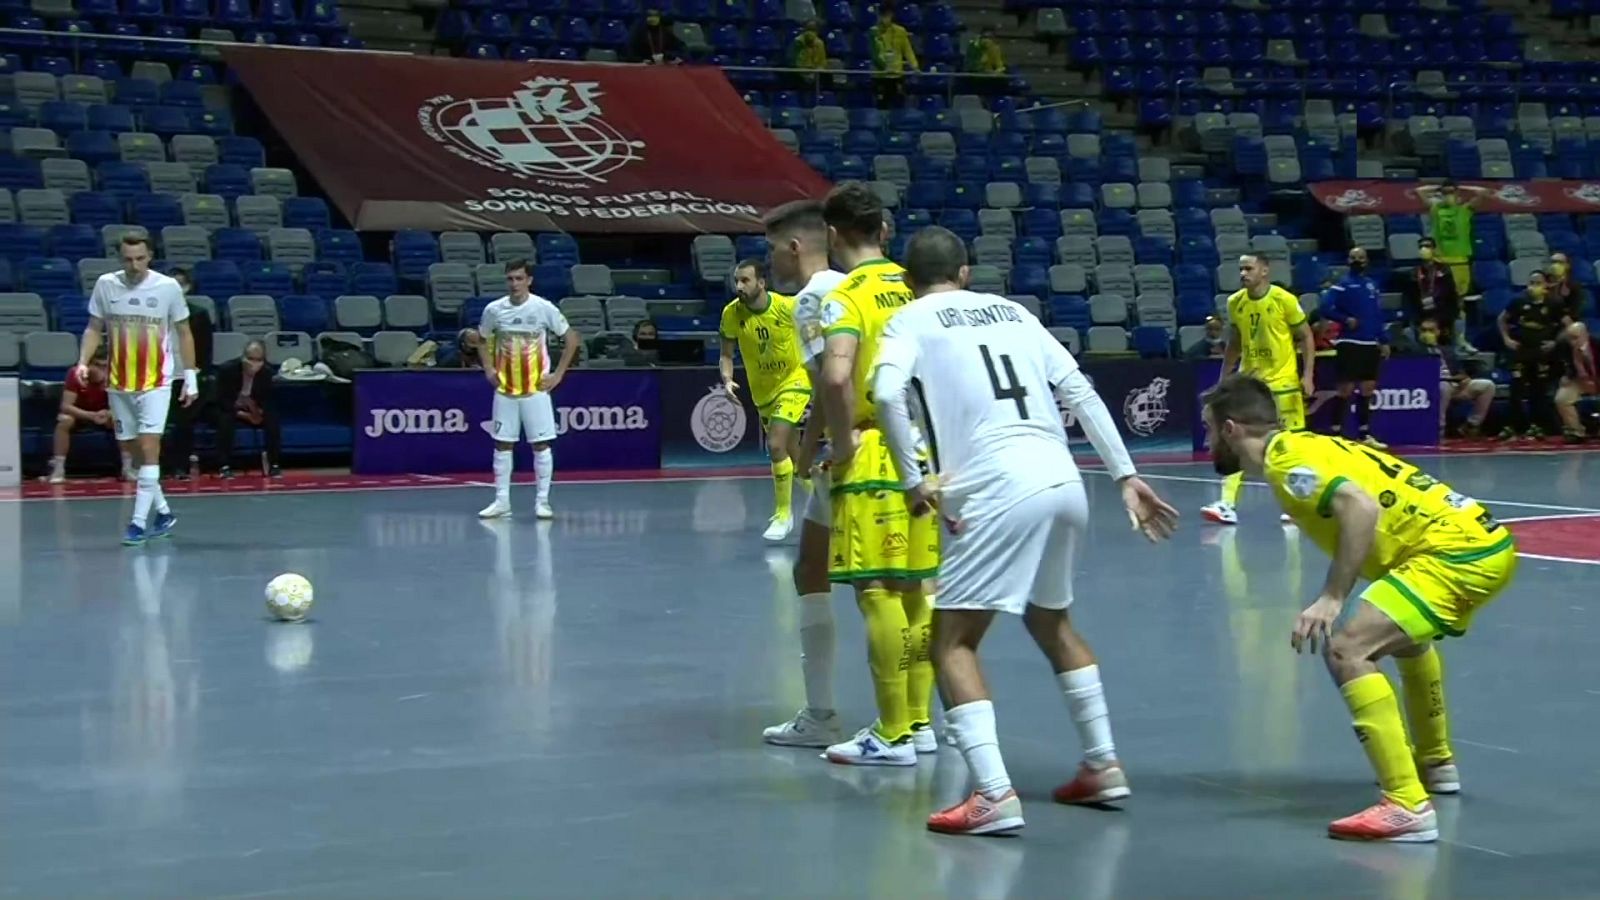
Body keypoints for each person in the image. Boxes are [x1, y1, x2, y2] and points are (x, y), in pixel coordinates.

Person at [872, 226, 1178, 835]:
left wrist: (913, 481)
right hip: (1063, 481)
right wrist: (1125, 475)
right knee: (1050, 620)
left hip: (997, 487)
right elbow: (1080, 393)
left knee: (951, 642)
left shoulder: (908, 320)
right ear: (965, 272)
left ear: (909, 281)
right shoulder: (1015, 313)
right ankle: (1102, 764)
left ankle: (991, 795)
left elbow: (883, 391)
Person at [1201, 373, 1517, 842]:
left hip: (1452, 554)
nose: (1208, 441)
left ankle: (1406, 803)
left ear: (1230, 429)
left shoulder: (1287, 463)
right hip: (1477, 541)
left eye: (1209, 430)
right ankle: (1435, 763)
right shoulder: (1306, 445)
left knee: (1349, 650)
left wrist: (1332, 597)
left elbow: (1360, 508)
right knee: (1407, 644)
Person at [816, 181, 939, 766]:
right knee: (919, 588)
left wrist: (841, 445)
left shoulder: (844, 297)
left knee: (877, 590)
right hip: (926, 451)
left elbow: (837, 377)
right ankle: (920, 722)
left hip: (875, 453)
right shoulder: (917, 288)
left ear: (834, 235)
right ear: (884, 231)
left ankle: (890, 733)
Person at [758, 198, 850, 748]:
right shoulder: (856, 286)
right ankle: (918, 721)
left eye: (773, 249)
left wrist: (820, 446)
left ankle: (822, 715)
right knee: (818, 567)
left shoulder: (810, 300)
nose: (770, 262)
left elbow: (828, 381)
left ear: (795, 247)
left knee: (857, 583)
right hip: (892, 440)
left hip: (854, 449)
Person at [75, 235, 197, 545]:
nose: (134, 265)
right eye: (128, 259)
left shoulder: (167, 287)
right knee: (133, 453)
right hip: (119, 383)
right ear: (120, 258)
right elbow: (93, 327)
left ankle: (138, 524)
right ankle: (164, 513)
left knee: (149, 449)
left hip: (156, 382)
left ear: (150, 256)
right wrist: (82, 361)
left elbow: (184, 332)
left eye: (140, 258)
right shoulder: (106, 284)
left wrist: (191, 376)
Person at [1200, 254, 1315, 526]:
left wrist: (1308, 375)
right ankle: (1227, 504)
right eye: (1240, 269)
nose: (1243, 273)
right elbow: (1235, 343)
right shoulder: (1235, 303)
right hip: (1251, 384)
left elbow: (1306, 337)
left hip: (1284, 384)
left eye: (1248, 268)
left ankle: (1298, 505)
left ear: (1264, 271)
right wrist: (1224, 378)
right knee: (1234, 439)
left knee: (1292, 444)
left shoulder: (1283, 300)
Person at [477, 259, 579, 520]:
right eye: (510, 279)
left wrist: (558, 375)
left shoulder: (543, 308)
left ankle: (542, 502)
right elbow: (482, 339)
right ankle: (501, 501)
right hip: (505, 391)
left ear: (529, 280)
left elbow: (571, 339)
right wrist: (489, 370)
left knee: (541, 445)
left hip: (536, 390)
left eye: (519, 278)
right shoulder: (494, 310)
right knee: (502, 445)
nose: (514, 284)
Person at [718, 259, 812, 542]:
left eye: (745, 280)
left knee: (775, 444)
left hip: (795, 381)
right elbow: (725, 354)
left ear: (761, 282)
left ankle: (784, 515)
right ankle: (828, 503)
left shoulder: (787, 307)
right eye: (737, 281)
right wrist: (726, 379)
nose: (739, 287)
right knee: (795, 458)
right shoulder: (731, 314)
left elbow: (813, 336)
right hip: (763, 392)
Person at [1321, 247, 1389, 448]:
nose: (1358, 261)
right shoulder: (1342, 285)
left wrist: (1383, 340)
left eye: (1361, 258)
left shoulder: (1371, 285)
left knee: (1368, 388)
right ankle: (1336, 432)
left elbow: (1377, 314)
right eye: (1354, 257)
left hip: (1370, 344)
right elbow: (1325, 308)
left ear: (1367, 261)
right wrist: (1345, 319)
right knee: (1345, 389)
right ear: (1348, 260)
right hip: (1350, 343)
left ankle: (1364, 433)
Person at [1496, 270, 1563, 440]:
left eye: (1538, 283)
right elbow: (1502, 319)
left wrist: (1555, 342)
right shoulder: (1518, 301)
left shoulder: (1554, 303)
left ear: (1546, 286)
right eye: (1531, 283)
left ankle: (1537, 426)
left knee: (1538, 391)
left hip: (1540, 353)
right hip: (1520, 351)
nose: (1534, 286)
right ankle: (1513, 426)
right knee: (1516, 389)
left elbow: (1567, 326)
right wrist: (1507, 339)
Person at [1404, 317, 1494, 438]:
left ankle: (1471, 425)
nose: (1427, 333)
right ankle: (1439, 429)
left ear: (1438, 332)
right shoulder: (1414, 351)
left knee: (1487, 385)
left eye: (1431, 330)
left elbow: (1459, 372)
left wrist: (1464, 379)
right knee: (1444, 387)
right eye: (1423, 330)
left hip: (1454, 385)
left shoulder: (1447, 350)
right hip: (1433, 388)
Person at [163, 267, 214, 479]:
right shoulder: (155, 314)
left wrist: (196, 374)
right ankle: (161, 467)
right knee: (161, 424)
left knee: (184, 424)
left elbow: (205, 348)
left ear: (187, 287)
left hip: (186, 376)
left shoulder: (198, 314)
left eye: (180, 283)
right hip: (161, 376)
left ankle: (181, 466)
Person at [214, 339, 282, 477]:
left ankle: (274, 464)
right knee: (225, 420)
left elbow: (267, 401)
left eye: (259, 360)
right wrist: (245, 415)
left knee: (273, 420)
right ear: (243, 357)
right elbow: (221, 400)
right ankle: (224, 465)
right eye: (250, 359)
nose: (254, 364)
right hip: (230, 408)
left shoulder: (266, 373)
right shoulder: (227, 370)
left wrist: (257, 413)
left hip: (252, 408)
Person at [48, 346, 115, 483]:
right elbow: (66, 406)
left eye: (104, 366)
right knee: (65, 420)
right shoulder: (75, 374)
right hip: (79, 415)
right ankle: (59, 469)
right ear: (88, 364)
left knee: (121, 420)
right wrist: (91, 415)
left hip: (103, 415)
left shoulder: (116, 376)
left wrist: (109, 413)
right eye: (97, 365)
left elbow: (122, 406)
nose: (100, 370)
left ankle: (128, 467)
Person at [1418, 181, 1487, 297]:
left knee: (1460, 295)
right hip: (1441, 262)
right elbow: (1420, 191)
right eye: (1445, 193)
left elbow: (1483, 193)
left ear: (1457, 193)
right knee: (1439, 296)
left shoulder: (1465, 210)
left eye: (1451, 192)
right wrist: (1438, 188)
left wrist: (1462, 187)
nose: (1448, 195)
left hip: (1460, 262)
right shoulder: (1436, 210)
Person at [1555, 321, 1599, 444]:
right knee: (1562, 398)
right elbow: (1561, 366)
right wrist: (1567, 376)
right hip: (1578, 379)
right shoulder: (1563, 345)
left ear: (1585, 335)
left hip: (1597, 377)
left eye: (1576, 338)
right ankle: (1576, 431)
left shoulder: (1597, 343)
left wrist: (1594, 380)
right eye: (1570, 338)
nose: (1572, 341)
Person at [1407, 238, 1460, 339]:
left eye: (1427, 246)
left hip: (1441, 313)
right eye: (1421, 247)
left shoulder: (1444, 269)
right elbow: (1411, 297)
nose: (1424, 249)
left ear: (1434, 249)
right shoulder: (1414, 272)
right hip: (1422, 313)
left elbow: (1449, 293)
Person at [868, 2, 918, 109]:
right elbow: (874, 54)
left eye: (888, 15)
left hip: (896, 75)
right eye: (883, 15)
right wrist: (884, 66)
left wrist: (914, 66)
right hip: (880, 75)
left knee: (897, 105)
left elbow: (907, 50)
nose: (885, 18)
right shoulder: (873, 32)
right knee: (881, 106)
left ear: (892, 15)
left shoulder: (901, 31)